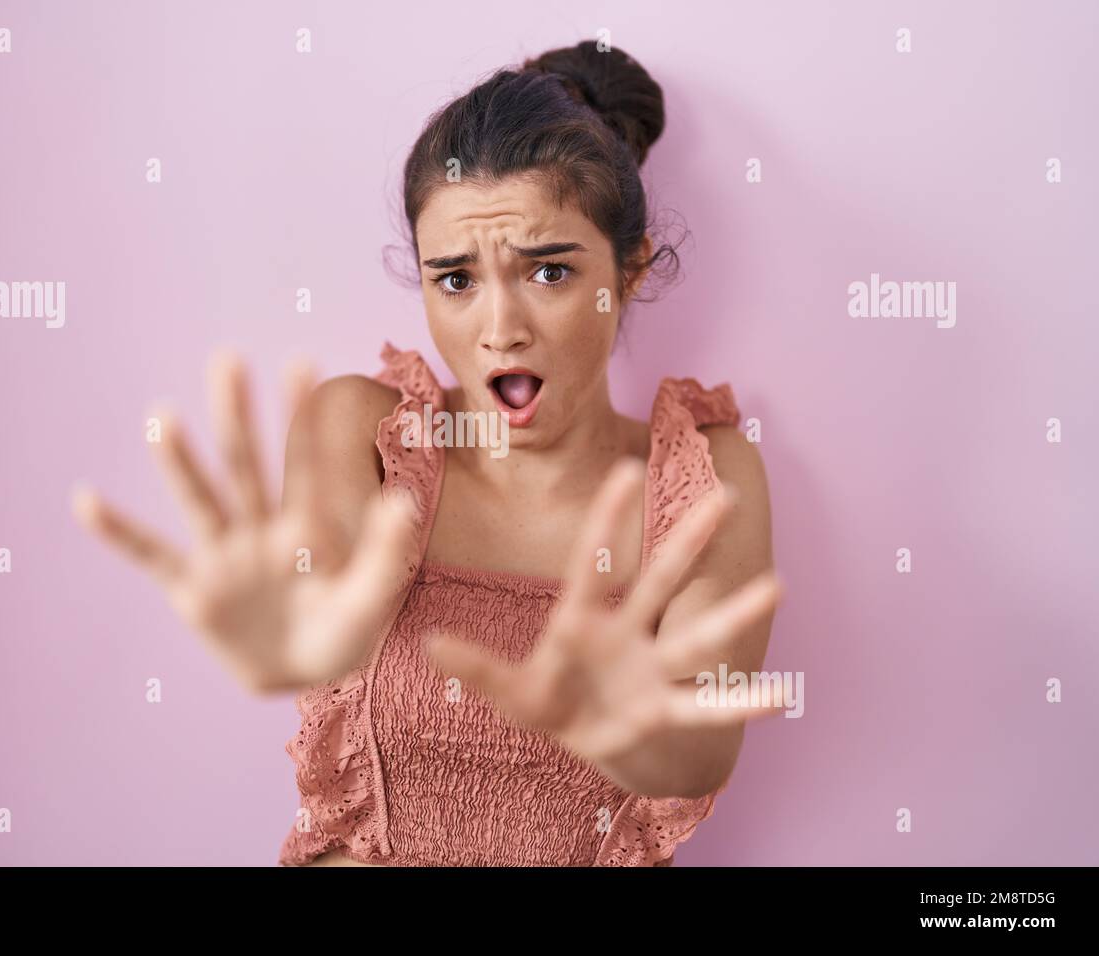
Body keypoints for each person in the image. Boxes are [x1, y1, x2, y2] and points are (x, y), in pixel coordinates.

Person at [72, 41, 781, 867]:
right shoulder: (365, 434)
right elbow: (324, 597)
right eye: (455, 279)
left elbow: (704, 747)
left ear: (627, 272)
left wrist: (632, 733)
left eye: (549, 272)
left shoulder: (708, 473)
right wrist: (298, 633)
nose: (498, 327)